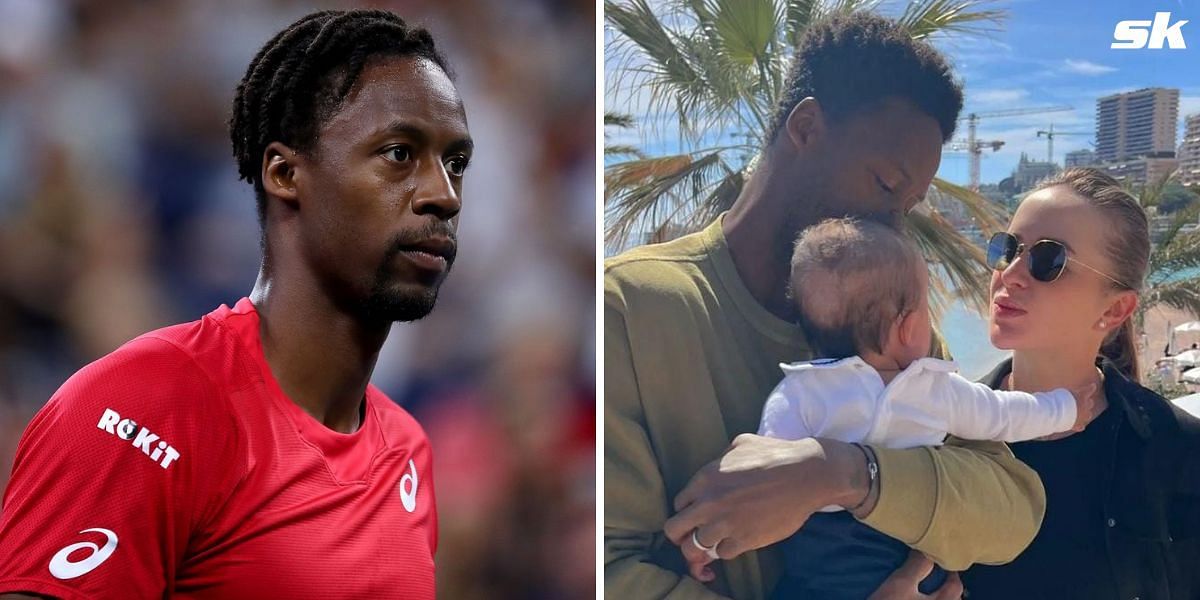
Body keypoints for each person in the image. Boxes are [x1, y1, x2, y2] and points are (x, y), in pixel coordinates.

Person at [0, 9, 471, 599]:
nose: (443, 195)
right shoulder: (143, 410)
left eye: (456, 163)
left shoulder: (407, 452)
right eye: (400, 154)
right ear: (283, 173)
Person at [605, 13, 1046, 599]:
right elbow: (605, 572)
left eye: (908, 206)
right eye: (887, 185)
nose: (891, 224)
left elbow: (1010, 512)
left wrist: (837, 474)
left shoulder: (891, 317)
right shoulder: (627, 310)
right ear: (807, 127)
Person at [695, 218, 1094, 599]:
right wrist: (1067, 408)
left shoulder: (799, 391)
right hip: (905, 536)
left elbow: (755, 484)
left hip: (822, 558)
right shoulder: (934, 390)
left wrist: (707, 545)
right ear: (908, 328)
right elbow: (1005, 415)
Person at [960, 168, 1200, 599]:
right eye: (1007, 249)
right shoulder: (948, 433)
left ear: (1115, 310)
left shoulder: (1179, 452)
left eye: (1048, 260)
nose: (1011, 274)